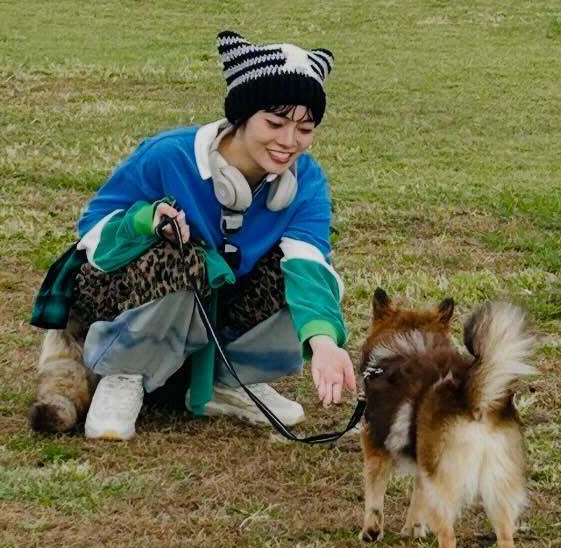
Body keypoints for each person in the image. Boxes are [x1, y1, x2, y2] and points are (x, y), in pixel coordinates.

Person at [30, 32, 357, 442]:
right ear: (242, 116)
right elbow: (93, 232)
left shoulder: (306, 180)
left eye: (305, 128)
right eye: (274, 123)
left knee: (314, 283)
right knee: (185, 256)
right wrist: (144, 221)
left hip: (214, 308)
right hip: (122, 293)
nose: (289, 142)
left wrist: (324, 342)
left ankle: (228, 379)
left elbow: (308, 262)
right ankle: (123, 374)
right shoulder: (169, 155)